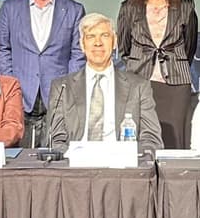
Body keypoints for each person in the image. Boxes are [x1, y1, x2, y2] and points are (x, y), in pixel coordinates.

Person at [0, 0, 86, 147]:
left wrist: (67, 89)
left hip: (59, 96)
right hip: (20, 96)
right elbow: (3, 48)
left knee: (56, 160)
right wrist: (11, 86)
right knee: (19, 162)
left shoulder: (74, 10)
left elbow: (78, 53)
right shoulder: (9, 8)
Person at [115, 0, 199, 149]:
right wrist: (139, 66)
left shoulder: (186, 6)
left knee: (175, 139)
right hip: (139, 82)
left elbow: (190, 47)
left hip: (176, 86)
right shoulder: (128, 8)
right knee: (141, 138)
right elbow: (125, 48)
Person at [47, 13, 164, 153]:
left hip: (121, 166)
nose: (98, 43)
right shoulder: (62, 87)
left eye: (105, 35)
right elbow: (55, 139)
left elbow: (151, 139)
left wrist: (130, 157)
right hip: (75, 166)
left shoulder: (138, 86)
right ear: (82, 45)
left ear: (115, 42)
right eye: (91, 36)